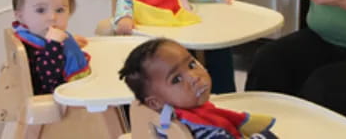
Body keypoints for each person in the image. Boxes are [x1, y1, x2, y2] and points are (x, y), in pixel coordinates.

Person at [119, 38, 277, 138]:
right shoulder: (203, 129)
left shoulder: (164, 118)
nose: (194, 77)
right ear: (154, 102)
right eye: (177, 79)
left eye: (191, 64)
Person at [12, 0, 91, 95]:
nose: (52, 17)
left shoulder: (40, 32)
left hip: (79, 86)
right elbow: (49, 79)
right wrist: (54, 45)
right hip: (57, 97)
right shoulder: (31, 46)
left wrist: (70, 43)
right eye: (41, 10)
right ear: (20, 16)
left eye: (59, 10)